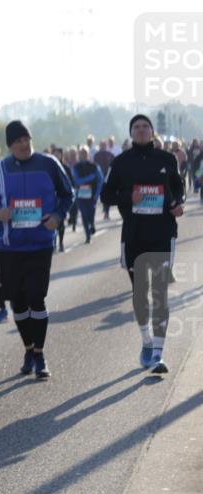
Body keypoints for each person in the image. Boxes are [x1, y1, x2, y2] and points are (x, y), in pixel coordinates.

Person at [0, 121, 74, 380]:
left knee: (36, 297)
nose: (23, 144)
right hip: (10, 247)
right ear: (9, 146)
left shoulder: (48, 164)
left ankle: (40, 355)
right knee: (17, 302)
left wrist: (58, 215)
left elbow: (68, 194)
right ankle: (28, 349)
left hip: (40, 244)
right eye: (17, 141)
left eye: (26, 139)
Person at [100, 114, 185, 374]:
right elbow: (106, 194)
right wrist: (129, 196)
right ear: (131, 132)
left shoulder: (167, 159)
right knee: (140, 294)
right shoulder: (121, 162)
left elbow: (178, 188)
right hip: (134, 234)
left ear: (151, 131)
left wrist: (178, 204)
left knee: (159, 293)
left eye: (145, 126)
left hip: (162, 232)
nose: (141, 130)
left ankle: (158, 353)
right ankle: (146, 342)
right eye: (136, 127)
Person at [71, 146, 104, 243]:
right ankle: (87, 236)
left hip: (92, 195)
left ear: (88, 154)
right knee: (84, 216)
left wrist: (97, 194)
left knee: (91, 214)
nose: (83, 155)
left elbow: (100, 180)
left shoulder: (94, 166)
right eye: (81, 153)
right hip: (81, 196)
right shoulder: (76, 167)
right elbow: (77, 181)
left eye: (85, 153)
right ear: (79, 155)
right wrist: (90, 178)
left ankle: (92, 224)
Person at [93, 140, 115, 220]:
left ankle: (106, 212)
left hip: (108, 177)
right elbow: (94, 167)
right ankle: (104, 209)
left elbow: (114, 166)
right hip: (99, 178)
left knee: (107, 194)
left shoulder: (110, 155)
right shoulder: (96, 155)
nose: (103, 146)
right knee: (102, 194)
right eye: (101, 145)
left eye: (104, 145)